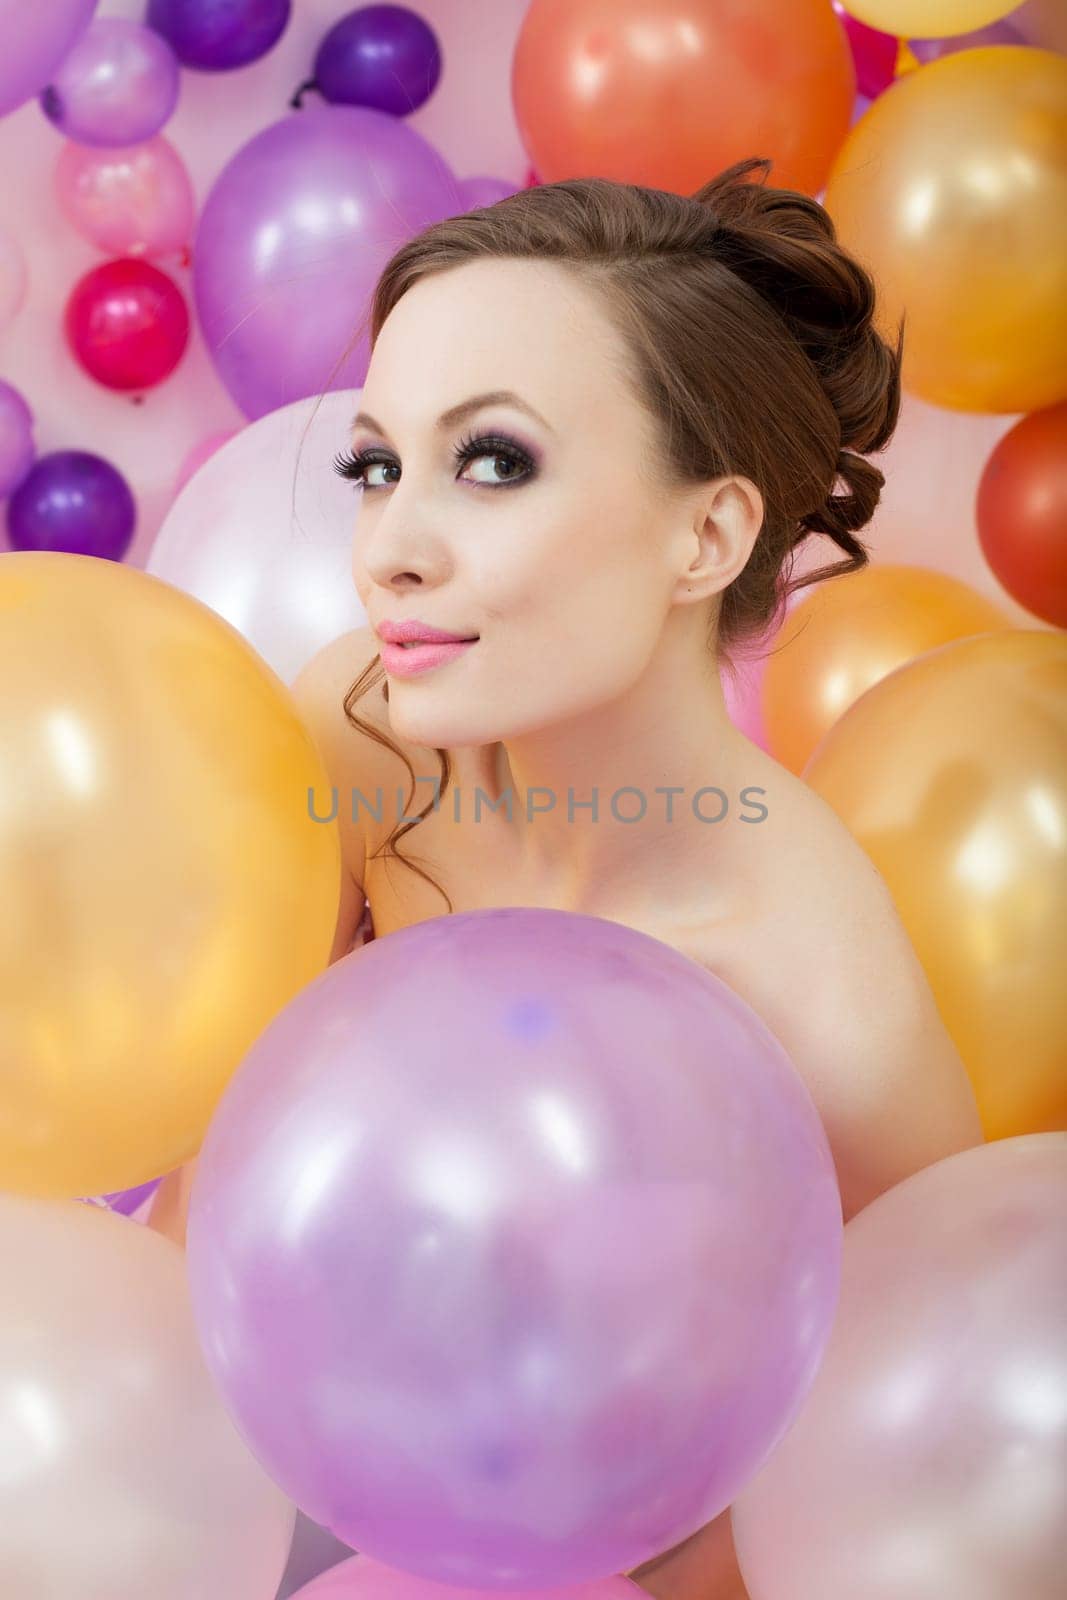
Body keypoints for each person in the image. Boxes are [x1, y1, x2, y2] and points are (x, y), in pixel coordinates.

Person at [293, 157, 984, 1600]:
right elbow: (210, 1206)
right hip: (288, 1458)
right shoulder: (364, 735)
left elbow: (921, 1465)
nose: (392, 553)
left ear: (709, 535)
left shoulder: (810, 995)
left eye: (493, 462)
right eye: (378, 465)